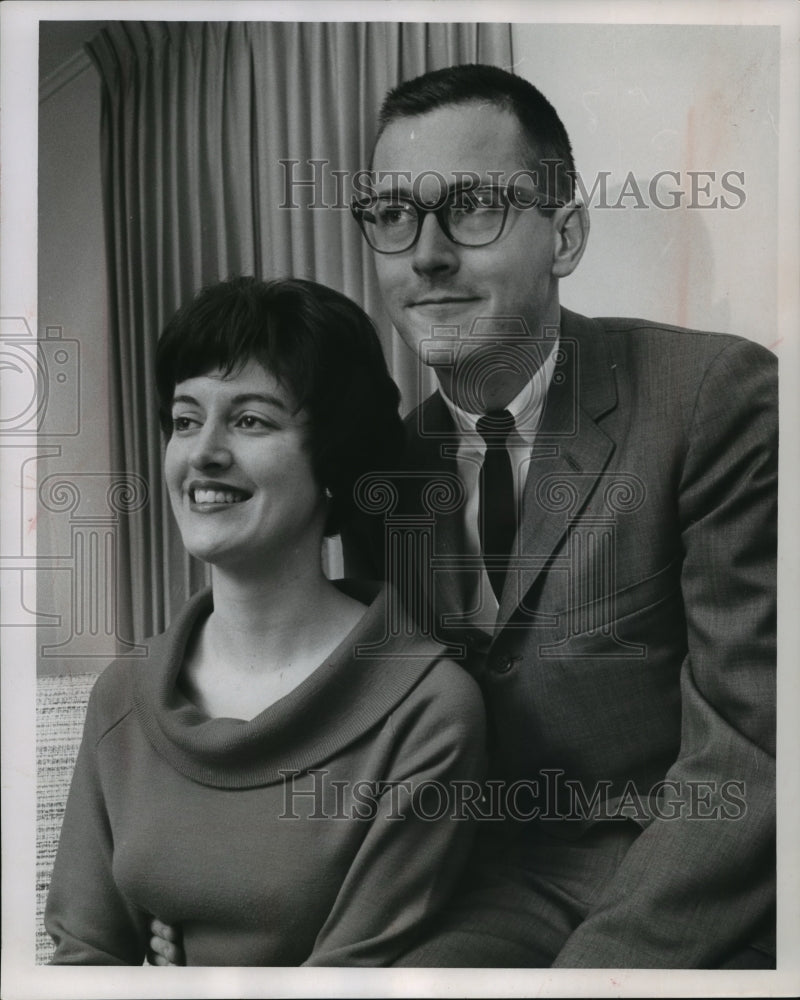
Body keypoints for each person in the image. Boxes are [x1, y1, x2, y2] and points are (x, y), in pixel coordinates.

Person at [151, 64, 777, 969]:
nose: (427, 254)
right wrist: (198, 891)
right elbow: (347, 727)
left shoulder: (715, 398)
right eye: (394, 215)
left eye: (473, 206)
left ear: (564, 234)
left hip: (694, 899)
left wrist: (599, 978)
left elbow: (755, 747)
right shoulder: (382, 466)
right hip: (479, 898)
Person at [44, 276, 486, 966]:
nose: (203, 453)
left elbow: (349, 981)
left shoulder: (426, 709)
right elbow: (84, 959)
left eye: (250, 420)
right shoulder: (123, 694)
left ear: (334, 463)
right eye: (186, 420)